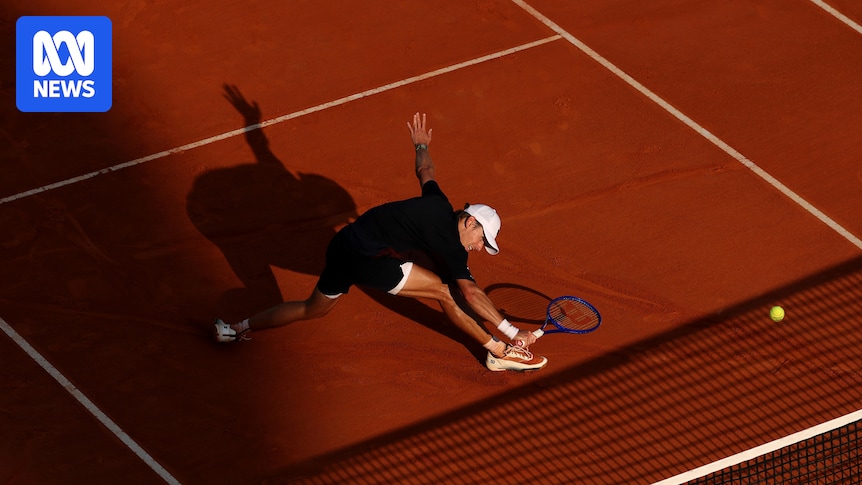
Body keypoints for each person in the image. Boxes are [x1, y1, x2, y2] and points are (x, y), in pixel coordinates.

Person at [214, 112, 547, 371]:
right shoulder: (450, 245)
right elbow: (470, 292)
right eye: (482, 240)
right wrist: (512, 332)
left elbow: (426, 171)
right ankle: (499, 352)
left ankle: (236, 328)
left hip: (343, 246)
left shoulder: (438, 203)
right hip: (369, 261)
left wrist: (420, 145)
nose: (479, 247)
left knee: (310, 309)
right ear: (471, 222)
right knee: (446, 291)